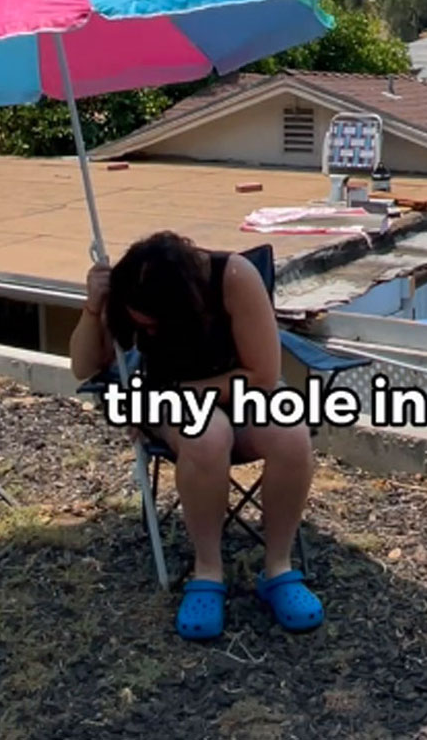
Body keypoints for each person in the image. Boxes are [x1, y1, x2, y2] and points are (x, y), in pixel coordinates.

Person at [70, 230, 324, 640]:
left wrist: (183, 391)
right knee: (205, 433)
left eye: (154, 326)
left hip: (237, 394)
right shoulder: (132, 286)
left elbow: (261, 375)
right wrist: (91, 307)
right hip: (175, 409)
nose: (146, 333)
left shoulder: (235, 278)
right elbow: (84, 366)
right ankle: (208, 571)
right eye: (140, 325)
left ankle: (279, 568)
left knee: (290, 432)